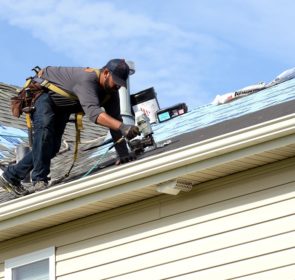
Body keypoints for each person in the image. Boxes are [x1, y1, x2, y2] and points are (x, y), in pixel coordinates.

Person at [0, 59, 140, 197]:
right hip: (45, 96)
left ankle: (11, 176)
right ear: (105, 73)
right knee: (45, 132)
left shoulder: (111, 94)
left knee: (53, 147)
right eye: (116, 81)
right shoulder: (87, 80)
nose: (118, 86)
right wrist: (123, 127)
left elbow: (115, 124)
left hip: (63, 107)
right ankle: (39, 180)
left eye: (120, 84)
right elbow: (94, 114)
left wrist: (123, 154)